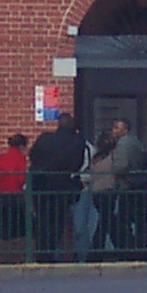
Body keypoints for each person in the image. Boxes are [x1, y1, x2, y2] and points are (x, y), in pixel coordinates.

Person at [28, 112, 86, 262]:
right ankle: (52, 252)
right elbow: (77, 164)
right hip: (62, 186)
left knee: (42, 221)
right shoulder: (77, 141)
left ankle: (42, 254)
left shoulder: (45, 139)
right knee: (58, 222)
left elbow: (32, 155)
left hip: (40, 185)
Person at [109, 117, 147, 253]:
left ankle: (127, 249)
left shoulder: (122, 144)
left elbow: (121, 166)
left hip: (127, 187)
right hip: (140, 185)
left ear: (124, 130)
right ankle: (142, 249)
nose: (113, 131)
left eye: (117, 128)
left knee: (123, 221)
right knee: (141, 221)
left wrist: (113, 170)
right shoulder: (136, 142)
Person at [0, 133, 29, 240]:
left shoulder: (1, 158)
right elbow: (21, 179)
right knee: (19, 233)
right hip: (15, 199)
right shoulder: (20, 158)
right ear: (22, 147)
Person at [88, 130, 119, 254]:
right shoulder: (113, 156)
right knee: (106, 221)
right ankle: (97, 249)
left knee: (106, 220)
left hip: (96, 193)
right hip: (109, 191)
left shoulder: (95, 158)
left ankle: (117, 246)